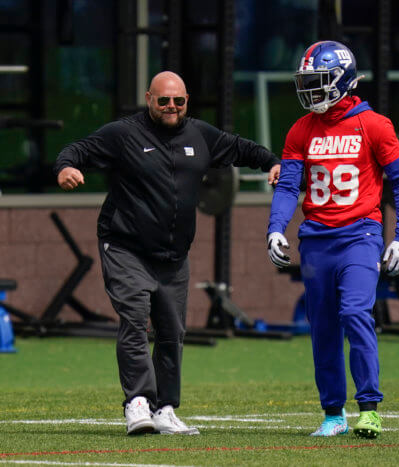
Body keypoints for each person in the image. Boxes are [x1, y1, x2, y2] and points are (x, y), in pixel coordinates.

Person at [55, 71, 281, 435]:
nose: (171, 107)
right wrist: (66, 167)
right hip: (125, 245)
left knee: (172, 332)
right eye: (163, 101)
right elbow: (77, 150)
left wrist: (272, 162)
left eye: (178, 101)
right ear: (149, 99)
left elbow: (241, 148)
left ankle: (165, 409)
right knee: (134, 319)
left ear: (187, 100)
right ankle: (137, 403)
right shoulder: (124, 134)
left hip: (173, 255)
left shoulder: (200, 135)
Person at [266, 41, 399, 438]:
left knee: (355, 313)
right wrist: (275, 228)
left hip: (360, 235)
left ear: (342, 80)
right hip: (316, 239)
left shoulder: (375, 125)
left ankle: (369, 407)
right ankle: (334, 412)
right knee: (324, 328)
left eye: (318, 82)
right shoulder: (301, 129)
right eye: (307, 82)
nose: (310, 91)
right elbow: (288, 187)